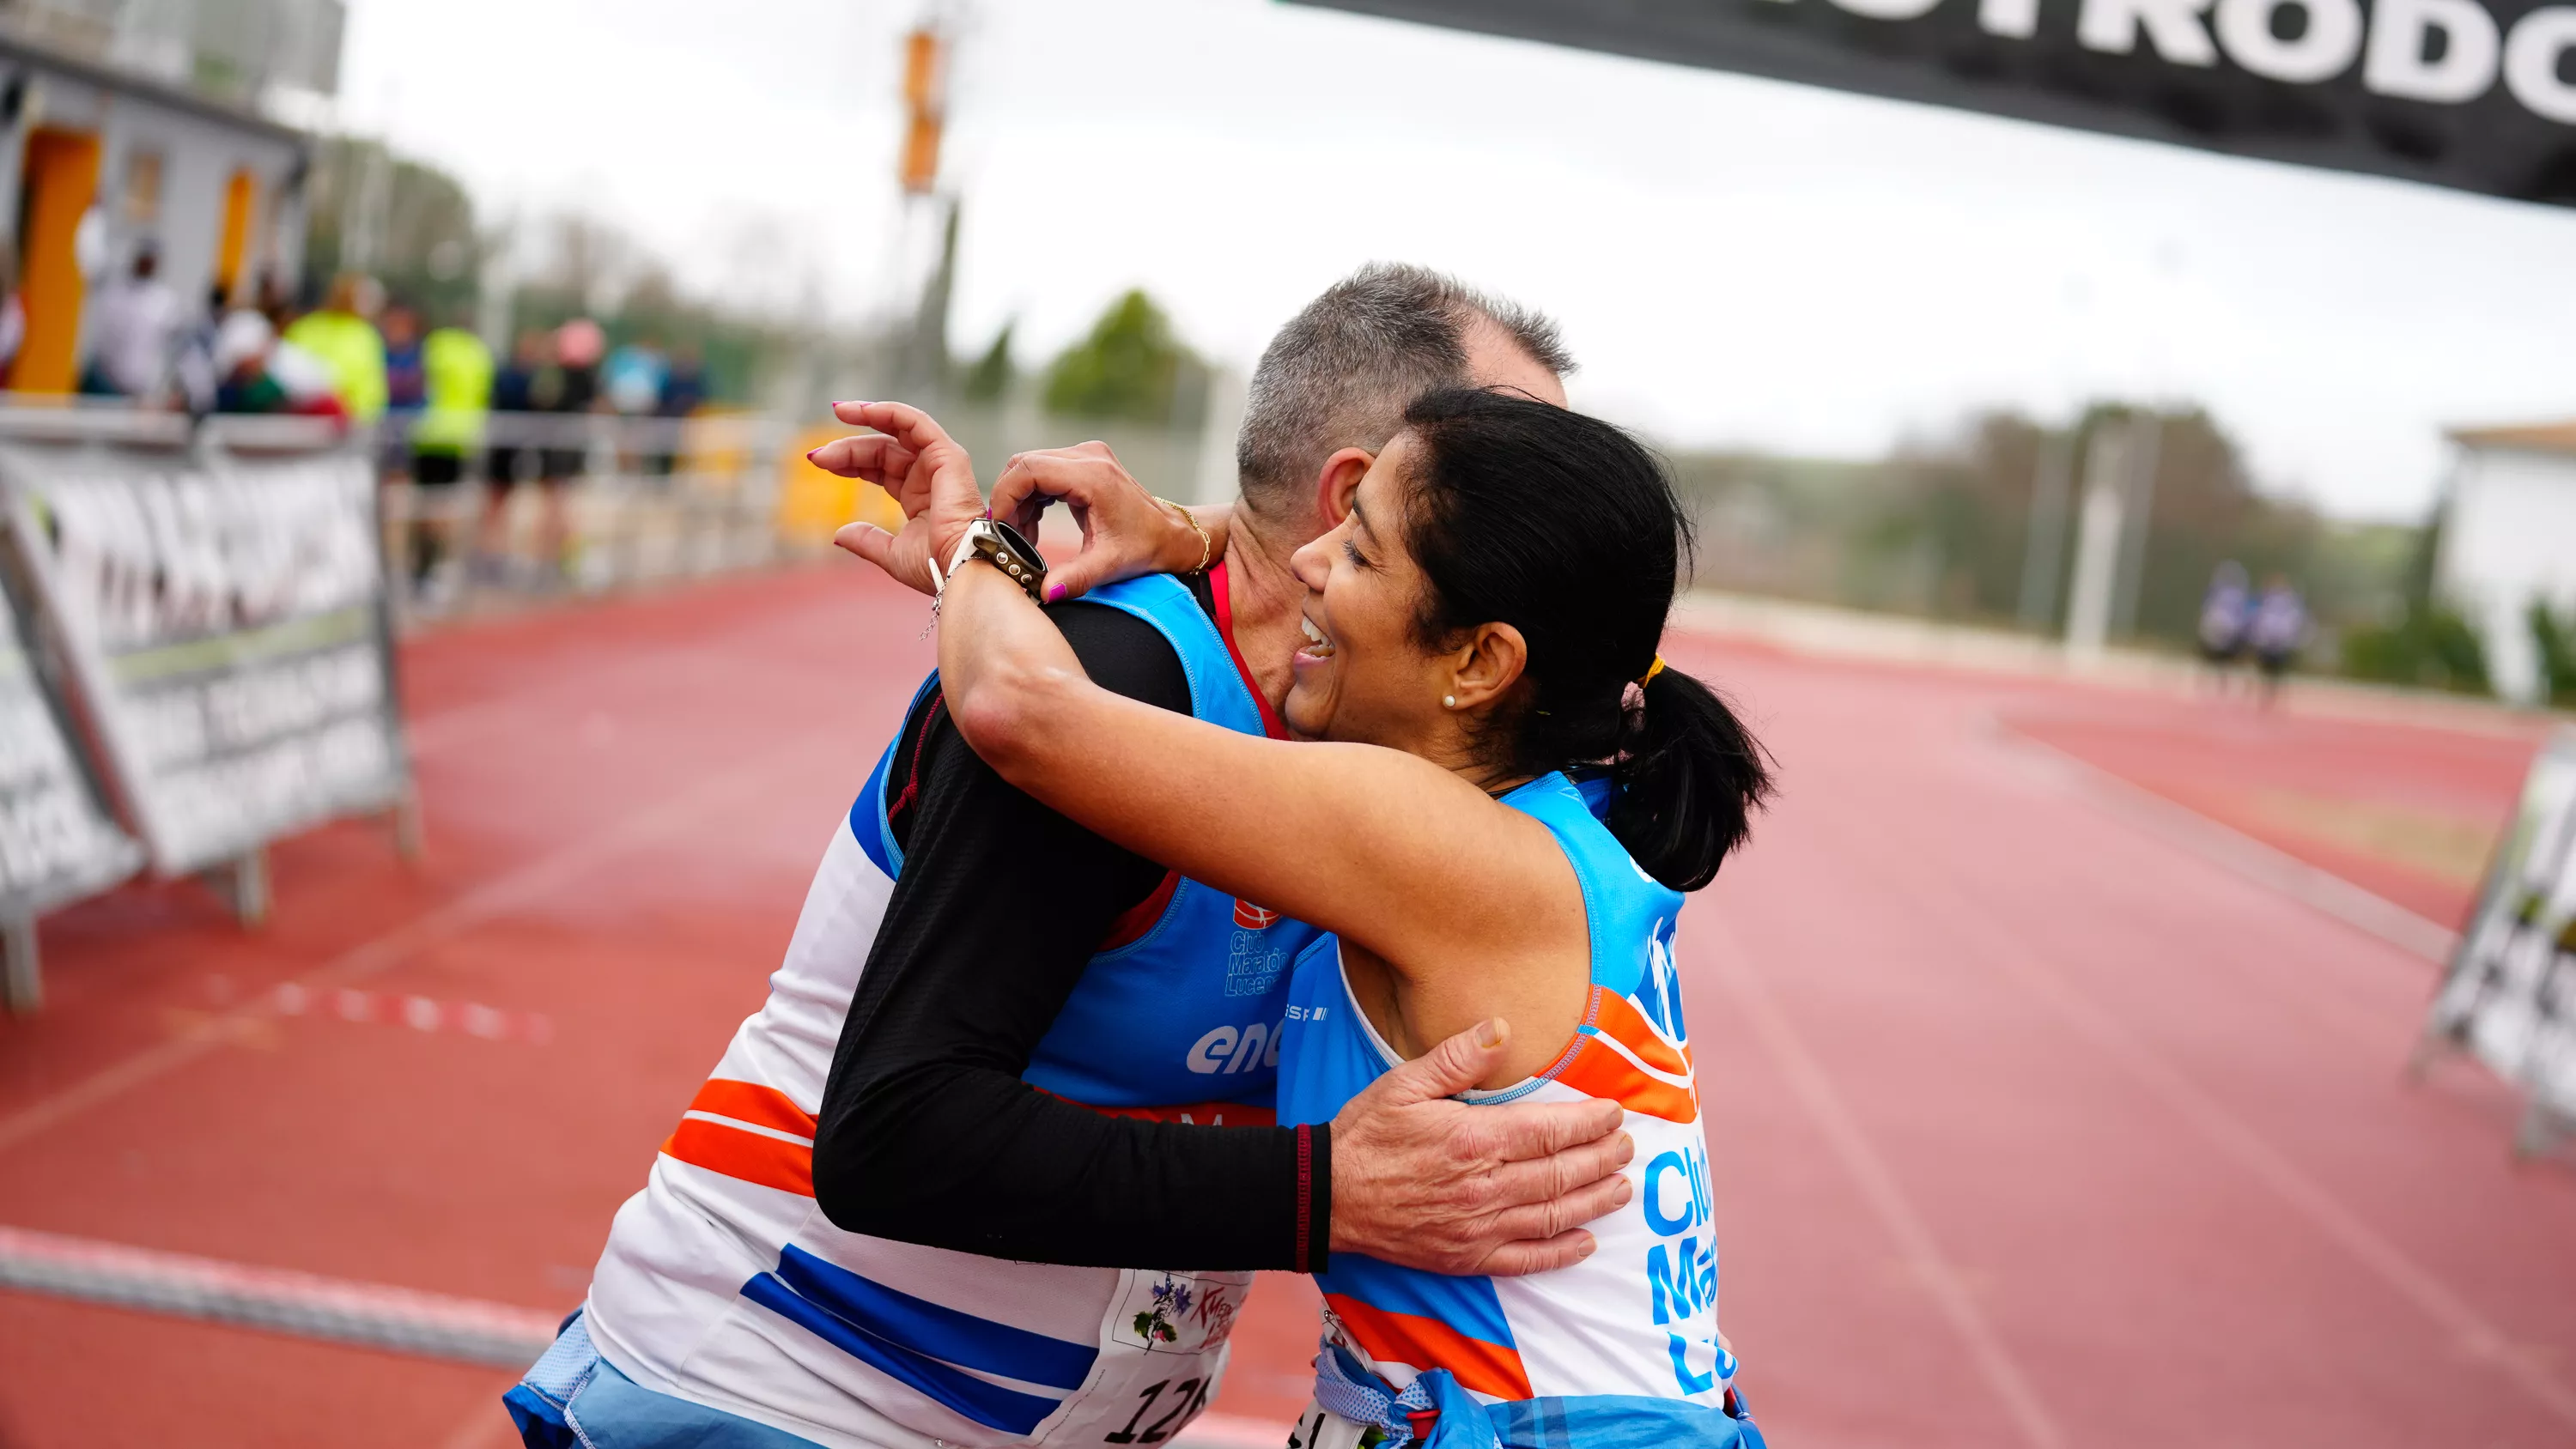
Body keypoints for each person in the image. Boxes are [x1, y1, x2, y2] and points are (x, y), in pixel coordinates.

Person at [507, 268, 1634, 1449]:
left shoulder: (1404, 750)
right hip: (780, 1391)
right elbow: (892, 1135)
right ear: (1353, 500)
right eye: (1510, 467)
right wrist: (1324, 1194)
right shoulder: (1111, 676)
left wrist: (1197, 525)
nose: (1550, 520)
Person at [841, 386, 1772, 1446]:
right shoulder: (1563, 812)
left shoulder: (1432, 840)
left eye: (1363, 553)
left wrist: (977, 550)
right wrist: (1195, 533)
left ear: (1480, 661)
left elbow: (1019, 707)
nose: (1312, 562)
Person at [408, 312, 495, 597]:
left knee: (425, 506)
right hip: (459, 438)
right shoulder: (478, 353)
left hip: (427, 435)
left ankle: (424, 568)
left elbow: (417, 383)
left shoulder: (435, 346)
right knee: (443, 507)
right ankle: (434, 569)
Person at [283, 273, 389, 425]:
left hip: (347, 426)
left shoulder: (365, 334)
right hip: (301, 422)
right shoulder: (305, 328)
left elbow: (372, 392)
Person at [81, 241, 181, 399]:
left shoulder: (164, 301)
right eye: (144, 259)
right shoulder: (114, 288)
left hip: (138, 393)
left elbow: (176, 349)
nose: (147, 264)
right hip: (101, 383)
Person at [2248, 573, 2308, 705]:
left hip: (2279, 639)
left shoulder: (2287, 601)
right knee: (2266, 668)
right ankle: (2266, 693)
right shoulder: (2266, 599)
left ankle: (2274, 694)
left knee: (2276, 670)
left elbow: (2295, 619)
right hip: (2270, 638)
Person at [2196, 560, 2251, 692]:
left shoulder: (2215, 593)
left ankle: (2206, 683)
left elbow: (2205, 612)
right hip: (2228, 634)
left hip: (2217, 633)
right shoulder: (2240, 596)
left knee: (2213, 659)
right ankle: (2222, 683)